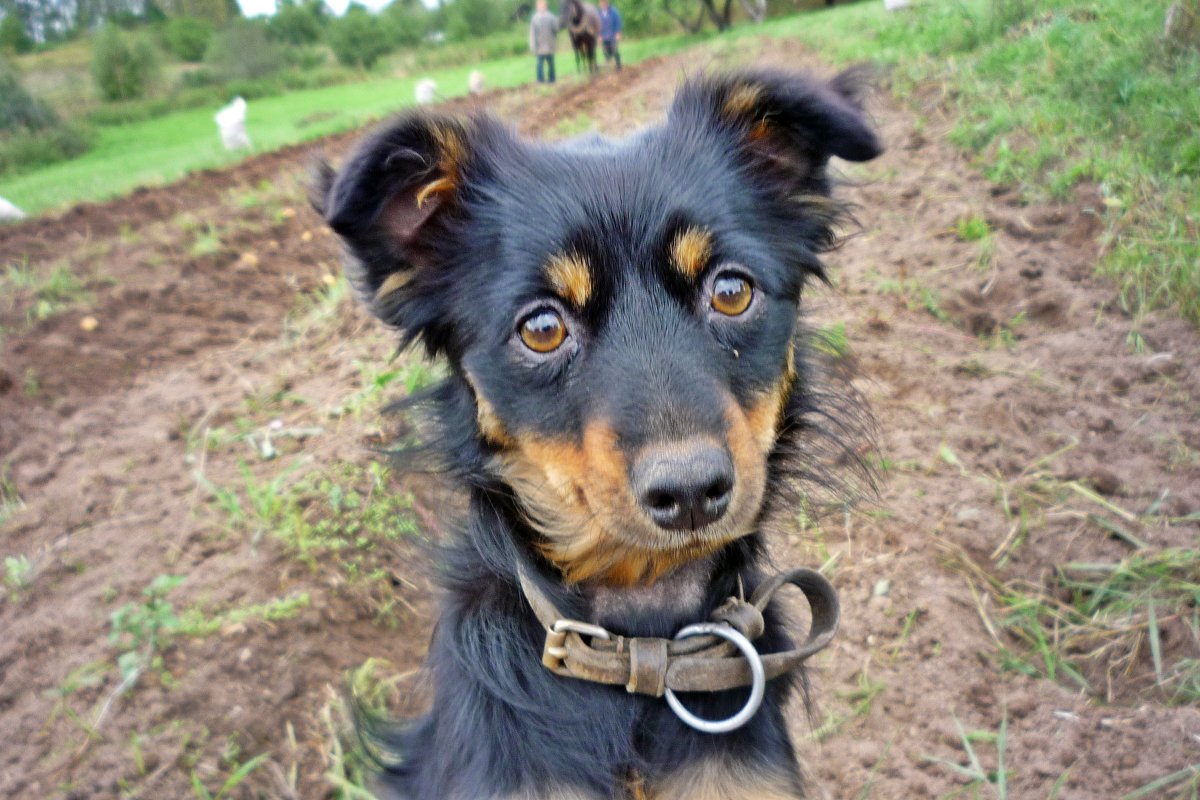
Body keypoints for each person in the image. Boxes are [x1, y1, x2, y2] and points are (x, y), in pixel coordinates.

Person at [529, 0, 560, 84]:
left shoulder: (551, 17)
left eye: (542, 6)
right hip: (539, 46)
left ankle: (552, 79)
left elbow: (556, 30)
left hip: (550, 44)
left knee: (551, 64)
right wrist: (532, 45)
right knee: (539, 65)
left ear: (545, 7)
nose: (540, 8)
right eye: (539, 6)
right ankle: (540, 80)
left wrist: (557, 23)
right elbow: (532, 33)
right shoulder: (534, 18)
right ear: (537, 7)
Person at [597, 0, 621, 71]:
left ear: (607, 3)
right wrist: (599, 35)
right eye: (601, 3)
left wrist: (618, 33)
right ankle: (609, 67)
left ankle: (618, 66)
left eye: (604, 3)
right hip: (604, 36)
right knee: (605, 51)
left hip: (613, 35)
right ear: (600, 4)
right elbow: (597, 26)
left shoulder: (614, 12)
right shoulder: (599, 14)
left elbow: (618, 22)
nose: (603, 5)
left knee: (614, 50)